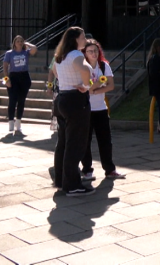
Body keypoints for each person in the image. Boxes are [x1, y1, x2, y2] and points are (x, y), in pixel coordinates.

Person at [52, 26, 94, 197]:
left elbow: (54, 71)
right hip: (75, 100)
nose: (85, 40)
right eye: (83, 37)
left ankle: (61, 180)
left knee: (63, 142)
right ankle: (72, 185)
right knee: (75, 143)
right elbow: (85, 70)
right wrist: (86, 85)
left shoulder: (60, 56)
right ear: (75, 39)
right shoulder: (76, 55)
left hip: (62, 98)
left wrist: (65, 82)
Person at [80, 39, 125, 180]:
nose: (93, 53)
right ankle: (87, 169)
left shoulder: (104, 66)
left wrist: (94, 90)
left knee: (105, 140)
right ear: (85, 53)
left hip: (100, 108)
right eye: (90, 51)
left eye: (95, 50)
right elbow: (85, 87)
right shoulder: (82, 67)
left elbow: (111, 86)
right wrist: (98, 84)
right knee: (85, 141)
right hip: (86, 109)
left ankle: (110, 169)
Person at [2, 35, 38, 135]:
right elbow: (5, 67)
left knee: (21, 101)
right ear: (14, 43)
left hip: (24, 77)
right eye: (17, 41)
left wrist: (27, 43)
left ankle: (18, 123)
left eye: (21, 41)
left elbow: (34, 49)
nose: (19, 43)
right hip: (13, 77)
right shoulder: (9, 53)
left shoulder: (25, 52)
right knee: (12, 100)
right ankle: (10, 122)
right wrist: (6, 80)